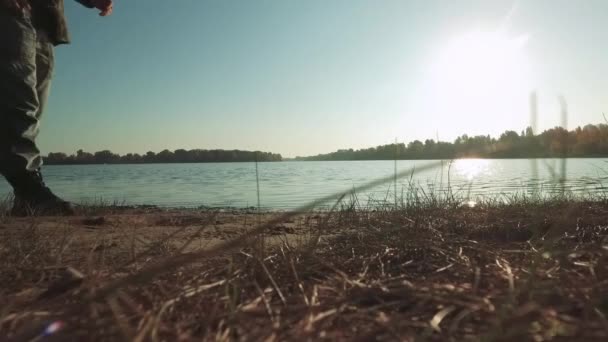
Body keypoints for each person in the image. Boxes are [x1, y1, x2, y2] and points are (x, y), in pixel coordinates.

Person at [0, 0, 112, 216]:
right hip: (10, 12)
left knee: (33, 107)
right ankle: (29, 188)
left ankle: (26, 200)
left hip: (44, 21)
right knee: (20, 100)